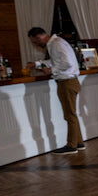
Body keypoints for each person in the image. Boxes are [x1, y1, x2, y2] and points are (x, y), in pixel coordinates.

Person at [27, 27, 85, 155]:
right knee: (72, 114)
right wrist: (37, 64)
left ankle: (71, 145)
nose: (36, 45)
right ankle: (79, 142)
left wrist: (52, 70)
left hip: (67, 82)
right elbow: (57, 61)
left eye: (35, 42)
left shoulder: (56, 44)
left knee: (70, 115)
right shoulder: (57, 42)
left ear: (39, 37)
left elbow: (67, 63)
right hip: (69, 82)